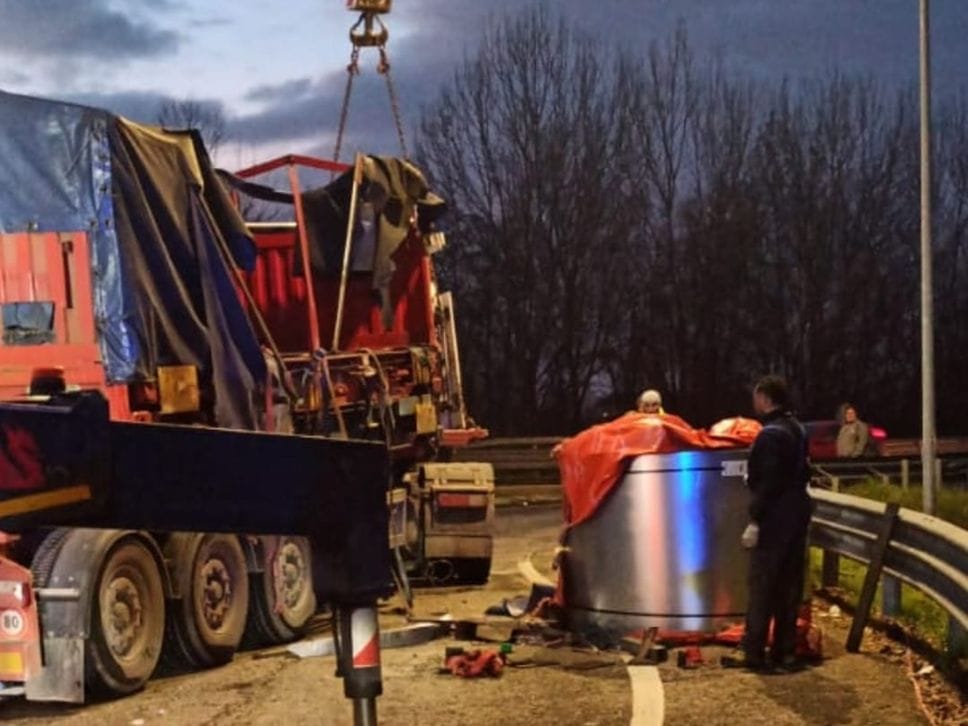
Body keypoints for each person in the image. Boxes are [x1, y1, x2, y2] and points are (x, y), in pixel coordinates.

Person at [736, 375, 811, 672]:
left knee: (763, 585)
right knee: (789, 587)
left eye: (756, 397)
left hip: (775, 518)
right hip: (798, 513)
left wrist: (755, 519)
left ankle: (754, 652)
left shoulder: (769, 435)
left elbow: (767, 483)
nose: (754, 402)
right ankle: (785, 652)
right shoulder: (797, 429)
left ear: (765, 399)